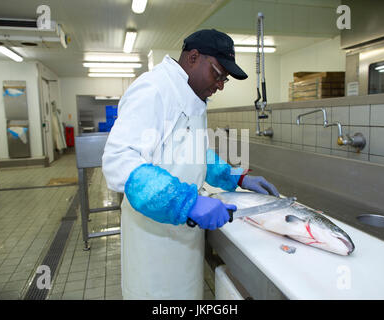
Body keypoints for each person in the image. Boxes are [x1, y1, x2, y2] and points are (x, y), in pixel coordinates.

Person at [102, 29, 280, 300]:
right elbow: (120, 161)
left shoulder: (194, 96)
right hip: (153, 239)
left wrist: (237, 177)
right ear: (194, 57)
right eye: (218, 74)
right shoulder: (154, 89)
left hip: (185, 237)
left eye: (225, 80)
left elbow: (196, 152)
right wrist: (186, 203)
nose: (220, 84)